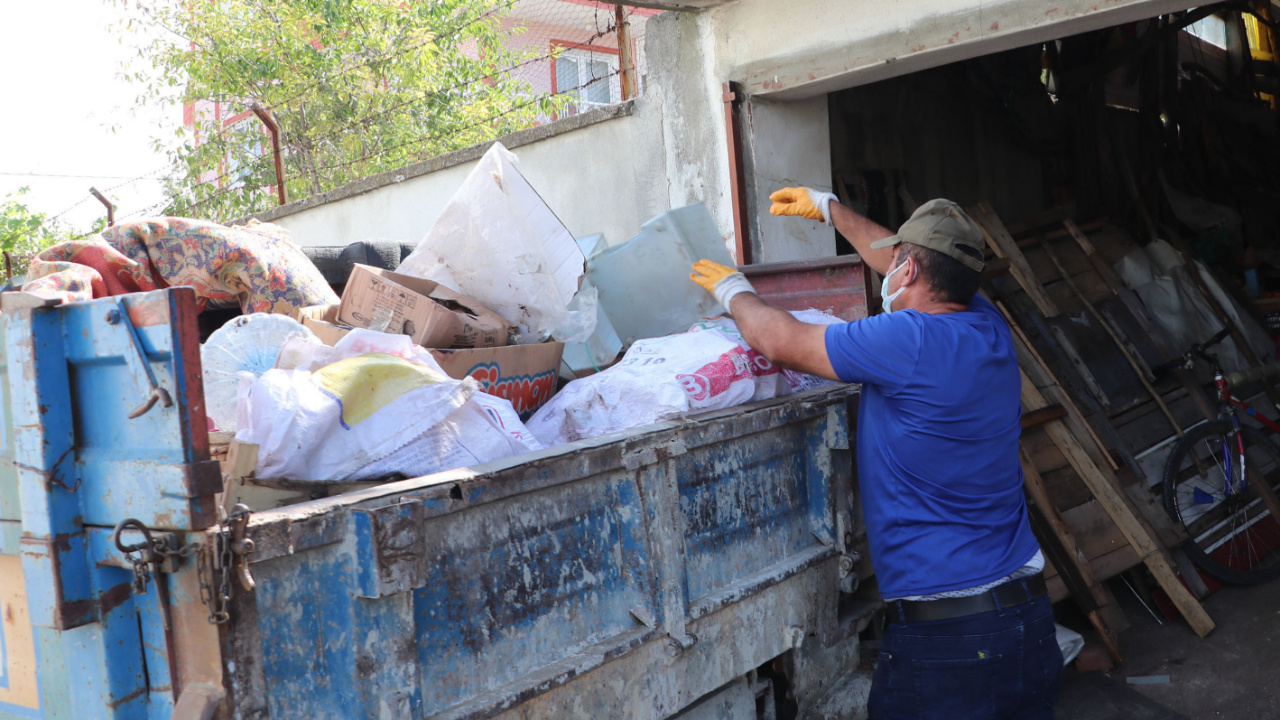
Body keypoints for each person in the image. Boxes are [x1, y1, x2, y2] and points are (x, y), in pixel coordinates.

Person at [689, 188, 1062, 720]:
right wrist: (828, 208)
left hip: (950, 646)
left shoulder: (906, 339)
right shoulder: (987, 327)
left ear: (908, 271)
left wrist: (733, 291)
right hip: (1027, 624)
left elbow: (781, 341)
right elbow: (907, 261)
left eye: (898, 262)